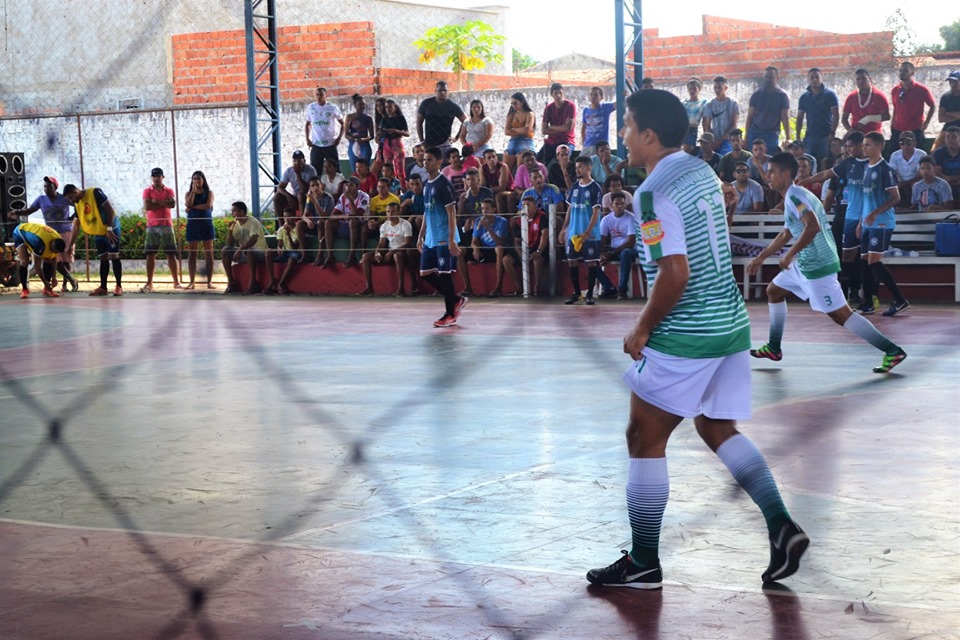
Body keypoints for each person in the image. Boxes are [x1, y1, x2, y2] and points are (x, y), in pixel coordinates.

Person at [585, 89, 808, 591]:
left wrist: (642, 326)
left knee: (643, 437)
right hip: (730, 322)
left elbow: (675, 272)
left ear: (648, 135)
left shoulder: (650, 193)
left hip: (687, 330)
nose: (622, 136)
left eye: (627, 127)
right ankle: (780, 524)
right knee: (716, 426)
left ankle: (644, 561)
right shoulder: (701, 170)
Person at [747, 152, 907, 373]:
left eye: (772, 171)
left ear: (786, 173)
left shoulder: (795, 197)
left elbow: (812, 226)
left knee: (842, 315)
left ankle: (892, 350)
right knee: (774, 291)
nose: (767, 176)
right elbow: (786, 233)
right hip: (805, 263)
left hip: (818, 265)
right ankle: (774, 347)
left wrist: (790, 254)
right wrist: (762, 257)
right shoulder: (793, 195)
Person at [856, 131, 908, 317]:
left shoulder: (885, 169)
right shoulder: (866, 168)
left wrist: (875, 213)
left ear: (879, 146)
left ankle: (900, 300)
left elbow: (896, 197)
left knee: (874, 261)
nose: (864, 147)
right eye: (863, 144)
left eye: (868, 144)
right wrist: (861, 221)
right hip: (868, 221)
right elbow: (866, 198)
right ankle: (867, 303)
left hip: (881, 223)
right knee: (864, 261)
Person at [417, 146, 467, 327]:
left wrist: (452, 239)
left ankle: (450, 314)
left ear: (439, 162)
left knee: (445, 275)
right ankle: (456, 299)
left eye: (429, 160)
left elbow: (452, 213)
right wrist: (421, 235)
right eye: (424, 159)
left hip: (444, 236)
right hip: (431, 236)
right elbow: (427, 210)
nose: (426, 163)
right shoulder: (426, 184)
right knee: (424, 273)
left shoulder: (443, 184)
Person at [11, 175, 78, 292]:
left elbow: (77, 205)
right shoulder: (41, 199)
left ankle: (65, 285)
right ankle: (68, 280)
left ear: (55, 187)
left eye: (49, 186)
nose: (47, 189)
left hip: (65, 231)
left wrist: (72, 217)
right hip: (50, 233)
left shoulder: (64, 198)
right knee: (55, 259)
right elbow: (29, 210)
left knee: (65, 259)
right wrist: (16, 213)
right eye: (45, 186)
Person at [63, 183, 124, 297]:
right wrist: (71, 244)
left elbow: (110, 211)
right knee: (103, 257)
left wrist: (109, 229)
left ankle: (119, 286)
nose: (71, 201)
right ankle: (103, 288)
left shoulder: (95, 193)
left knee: (114, 256)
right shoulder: (77, 204)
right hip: (99, 231)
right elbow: (76, 225)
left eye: (71, 198)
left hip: (111, 229)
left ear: (75, 192)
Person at [560, 155, 602, 305]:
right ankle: (577, 293)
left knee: (591, 263)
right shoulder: (574, 187)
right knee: (572, 262)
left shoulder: (595, 188)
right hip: (573, 233)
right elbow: (570, 208)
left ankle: (589, 294)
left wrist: (587, 233)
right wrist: (564, 228)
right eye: (576, 167)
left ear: (588, 168)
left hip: (590, 235)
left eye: (580, 167)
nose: (577, 170)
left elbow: (596, 212)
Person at [359, 201, 415, 297]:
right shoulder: (385, 225)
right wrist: (377, 253)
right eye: (388, 212)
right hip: (389, 252)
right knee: (366, 257)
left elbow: (408, 243)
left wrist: (392, 252)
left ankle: (401, 288)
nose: (390, 214)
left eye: (393, 212)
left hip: (402, 253)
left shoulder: (405, 224)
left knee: (397, 255)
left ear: (398, 212)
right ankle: (369, 288)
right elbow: (381, 243)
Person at [141, 167, 181, 292]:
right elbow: (147, 206)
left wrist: (156, 201)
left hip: (166, 224)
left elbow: (172, 204)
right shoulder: (147, 191)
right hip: (152, 225)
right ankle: (149, 282)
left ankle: (176, 282)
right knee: (150, 254)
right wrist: (163, 202)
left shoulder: (169, 190)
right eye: (154, 176)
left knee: (171, 253)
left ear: (162, 177)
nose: (156, 178)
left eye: (158, 176)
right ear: (152, 178)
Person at [471, 198, 522, 297]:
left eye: (487, 209)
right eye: (482, 209)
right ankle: (468, 288)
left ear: (494, 209)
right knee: (462, 250)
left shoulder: (502, 221)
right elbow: (473, 242)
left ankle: (498, 287)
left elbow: (500, 242)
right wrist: (475, 248)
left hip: (501, 250)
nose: (484, 211)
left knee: (499, 248)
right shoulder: (478, 221)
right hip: (486, 250)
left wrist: (488, 228)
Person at [457, 167, 494, 295]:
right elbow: (460, 217)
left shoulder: (486, 192)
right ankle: (467, 287)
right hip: (471, 231)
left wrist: (473, 219)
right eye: (468, 180)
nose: (470, 182)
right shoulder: (465, 196)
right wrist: (462, 202)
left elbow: (489, 212)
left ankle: (478, 253)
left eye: (473, 179)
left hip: (485, 227)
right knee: (459, 252)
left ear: (478, 180)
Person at [221, 201, 268, 295]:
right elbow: (230, 244)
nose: (232, 213)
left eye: (234, 211)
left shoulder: (253, 221)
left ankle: (253, 283)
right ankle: (231, 282)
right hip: (244, 252)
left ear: (242, 211)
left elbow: (253, 240)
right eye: (232, 211)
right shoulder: (236, 224)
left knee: (249, 251)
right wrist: (230, 231)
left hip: (259, 252)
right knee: (225, 250)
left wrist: (240, 249)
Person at [598, 192, 638, 299]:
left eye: (623, 204)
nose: (620, 206)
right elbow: (602, 241)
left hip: (630, 250)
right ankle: (609, 288)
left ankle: (622, 290)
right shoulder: (606, 219)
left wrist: (611, 253)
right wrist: (601, 254)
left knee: (625, 253)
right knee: (591, 257)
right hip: (614, 250)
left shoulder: (631, 218)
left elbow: (631, 243)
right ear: (611, 205)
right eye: (617, 204)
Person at [796, 68, 839, 165]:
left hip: (826, 136)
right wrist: (798, 136)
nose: (814, 80)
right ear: (808, 79)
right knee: (808, 163)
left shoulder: (830, 95)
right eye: (812, 77)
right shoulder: (804, 97)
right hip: (810, 137)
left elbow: (836, 115)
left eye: (817, 77)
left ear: (821, 78)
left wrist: (832, 133)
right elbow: (800, 118)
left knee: (824, 162)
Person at [324, 176, 370, 268]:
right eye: (347, 185)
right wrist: (345, 216)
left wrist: (350, 199)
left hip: (360, 225)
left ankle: (352, 256)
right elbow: (332, 216)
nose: (348, 187)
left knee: (352, 221)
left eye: (351, 185)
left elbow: (356, 214)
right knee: (328, 223)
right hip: (347, 225)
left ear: (357, 187)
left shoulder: (364, 196)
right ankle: (330, 256)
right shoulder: (343, 197)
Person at [889, 61, 935, 152]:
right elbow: (896, 107)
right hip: (898, 129)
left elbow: (932, 106)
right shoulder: (895, 90)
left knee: (918, 155)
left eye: (905, 70)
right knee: (894, 154)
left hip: (915, 128)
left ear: (912, 72)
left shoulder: (921, 89)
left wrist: (926, 122)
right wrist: (893, 122)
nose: (902, 73)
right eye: (900, 70)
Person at [11, 222, 65, 298]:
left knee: (48, 259)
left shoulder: (57, 239)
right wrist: (45, 282)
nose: (53, 253)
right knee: (24, 261)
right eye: (53, 251)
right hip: (20, 232)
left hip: (37, 233)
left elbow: (53, 260)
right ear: (52, 245)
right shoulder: (40, 243)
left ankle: (47, 289)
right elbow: (37, 266)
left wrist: (54, 278)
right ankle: (24, 289)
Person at [183, 170, 217, 290]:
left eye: (198, 178)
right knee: (192, 253)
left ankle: (209, 281)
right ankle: (192, 282)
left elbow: (207, 206)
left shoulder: (209, 193)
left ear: (203, 180)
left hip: (206, 224)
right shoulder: (188, 193)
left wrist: (192, 207)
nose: (196, 180)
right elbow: (187, 204)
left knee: (209, 253)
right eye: (194, 179)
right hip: (193, 224)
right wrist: (193, 192)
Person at [745, 66, 791, 151]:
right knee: (753, 157)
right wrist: (746, 137)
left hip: (771, 133)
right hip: (755, 132)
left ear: (777, 78)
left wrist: (788, 138)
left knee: (770, 157)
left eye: (771, 77)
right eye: (766, 76)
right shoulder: (756, 94)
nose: (768, 79)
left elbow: (785, 117)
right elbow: (749, 117)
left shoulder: (782, 96)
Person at [417, 81, 466, 159]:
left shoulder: (453, 106)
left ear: (448, 91)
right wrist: (422, 141)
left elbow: (465, 121)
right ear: (435, 91)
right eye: (440, 90)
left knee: (444, 165)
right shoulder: (426, 104)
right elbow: (419, 123)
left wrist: (457, 137)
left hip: (445, 144)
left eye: (445, 90)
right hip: (428, 144)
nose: (442, 93)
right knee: (429, 165)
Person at [517, 193, 551, 295]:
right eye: (523, 206)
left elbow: (545, 235)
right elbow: (516, 240)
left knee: (537, 260)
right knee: (506, 260)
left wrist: (538, 251)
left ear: (535, 207)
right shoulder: (518, 220)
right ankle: (519, 287)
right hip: (525, 248)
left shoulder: (542, 217)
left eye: (528, 205)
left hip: (539, 247)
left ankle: (537, 287)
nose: (526, 208)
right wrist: (521, 254)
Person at [305, 87, 343, 174]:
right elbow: (308, 124)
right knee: (315, 172)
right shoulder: (311, 107)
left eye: (321, 95)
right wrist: (307, 139)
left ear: (326, 96)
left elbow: (343, 124)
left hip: (330, 144)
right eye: (317, 95)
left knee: (335, 171)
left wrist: (338, 138)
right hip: (316, 144)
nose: (319, 97)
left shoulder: (332, 107)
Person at [265, 208, 302, 295]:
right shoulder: (281, 229)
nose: (287, 219)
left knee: (292, 259)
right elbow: (280, 244)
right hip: (284, 252)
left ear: (294, 217)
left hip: (293, 252)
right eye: (285, 216)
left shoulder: (298, 229)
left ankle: (280, 284)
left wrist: (288, 234)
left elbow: (294, 247)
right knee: (268, 252)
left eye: (289, 216)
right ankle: (272, 280)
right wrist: (279, 248)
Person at [842, 69, 890, 135]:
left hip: (874, 134)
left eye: (864, 78)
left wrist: (867, 119)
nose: (861, 81)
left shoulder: (879, 96)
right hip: (856, 132)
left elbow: (887, 116)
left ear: (870, 79)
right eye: (858, 79)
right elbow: (844, 119)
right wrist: (850, 130)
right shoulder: (851, 97)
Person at [300, 176, 334, 266]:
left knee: (320, 222)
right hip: (316, 225)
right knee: (300, 224)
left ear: (321, 186)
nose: (315, 187)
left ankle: (320, 255)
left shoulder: (328, 198)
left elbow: (324, 217)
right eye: (313, 186)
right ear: (310, 188)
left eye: (317, 185)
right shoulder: (310, 198)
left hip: (326, 226)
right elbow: (304, 216)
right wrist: (308, 221)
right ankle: (305, 255)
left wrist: (315, 201)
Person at [540, 82, 576, 166]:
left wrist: (551, 127)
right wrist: (562, 128)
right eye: (556, 93)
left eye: (560, 93)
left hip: (566, 140)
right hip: (551, 141)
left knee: (564, 158)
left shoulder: (570, 106)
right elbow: (544, 130)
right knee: (539, 161)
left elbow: (568, 128)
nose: (558, 95)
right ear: (552, 94)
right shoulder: (549, 108)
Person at [703, 76, 740, 154]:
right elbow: (707, 125)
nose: (717, 90)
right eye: (715, 87)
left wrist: (722, 139)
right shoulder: (709, 105)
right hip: (714, 139)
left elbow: (734, 124)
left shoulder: (733, 103)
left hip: (728, 139)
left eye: (719, 87)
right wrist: (712, 140)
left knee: (725, 155)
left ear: (725, 88)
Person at [378, 99, 410, 188]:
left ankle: (402, 188)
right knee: (388, 169)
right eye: (386, 107)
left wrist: (396, 131)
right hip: (386, 144)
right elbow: (380, 132)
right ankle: (389, 188)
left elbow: (407, 133)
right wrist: (379, 136)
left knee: (399, 169)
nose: (388, 109)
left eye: (390, 107)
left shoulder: (400, 118)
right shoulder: (384, 119)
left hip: (397, 143)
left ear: (395, 107)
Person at [888, 130, 927, 204]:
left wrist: (903, 184)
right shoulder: (895, 155)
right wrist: (897, 184)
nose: (905, 146)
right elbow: (891, 173)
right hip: (900, 183)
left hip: (916, 182)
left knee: (915, 185)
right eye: (902, 143)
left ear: (914, 143)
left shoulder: (921, 154)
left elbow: (920, 176)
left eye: (908, 142)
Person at [276, 150, 318, 218]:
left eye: (299, 160)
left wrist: (298, 174)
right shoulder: (289, 170)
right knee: (277, 197)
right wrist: (288, 195)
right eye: (295, 160)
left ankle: (303, 220)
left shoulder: (311, 170)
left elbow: (304, 190)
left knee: (300, 195)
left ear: (304, 161)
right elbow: (279, 187)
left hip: (308, 197)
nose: (297, 163)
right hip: (294, 196)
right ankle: (281, 222)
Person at [503, 92, 536, 174]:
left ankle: (520, 180)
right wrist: (522, 130)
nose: (513, 106)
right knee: (506, 161)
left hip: (526, 140)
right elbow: (506, 131)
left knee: (521, 159)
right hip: (513, 141)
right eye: (512, 104)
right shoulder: (511, 115)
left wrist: (513, 129)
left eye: (515, 103)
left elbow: (527, 130)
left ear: (522, 102)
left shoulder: (529, 114)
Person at [581, 86, 617, 157]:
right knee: (582, 161)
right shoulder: (586, 110)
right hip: (588, 145)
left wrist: (624, 95)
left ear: (601, 97)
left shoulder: (605, 107)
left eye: (596, 95)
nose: (593, 97)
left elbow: (617, 104)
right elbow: (583, 128)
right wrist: (583, 143)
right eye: (591, 94)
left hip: (602, 145)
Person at [344, 94, 375, 175]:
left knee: (365, 168)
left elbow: (372, 136)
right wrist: (352, 138)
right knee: (355, 169)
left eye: (363, 104)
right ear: (355, 105)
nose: (362, 106)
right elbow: (346, 134)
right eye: (360, 104)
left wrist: (363, 139)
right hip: (353, 144)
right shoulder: (349, 117)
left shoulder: (368, 118)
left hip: (364, 145)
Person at [932, 125, 960, 201]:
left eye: (954, 137)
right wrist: (948, 181)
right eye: (947, 137)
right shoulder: (938, 153)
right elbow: (937, 174)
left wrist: (952, 178)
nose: (950, 140)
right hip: (944, 183)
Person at [681, 78, 707, 154]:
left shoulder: (703, 103)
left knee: (691, 151)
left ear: (699, 89)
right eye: (690, 89)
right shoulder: (683, 103)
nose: (692, 91)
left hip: (694, 129)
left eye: (694, 89)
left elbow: (705, 121)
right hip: (684, 129)